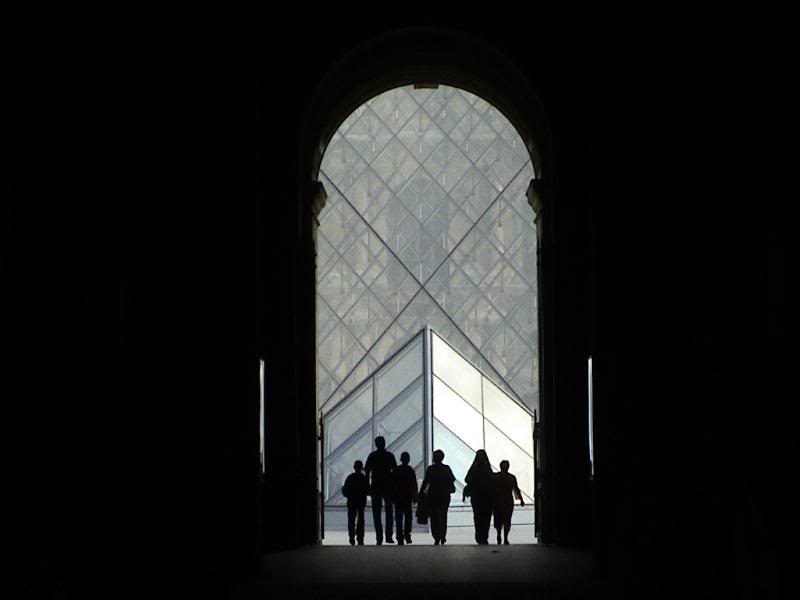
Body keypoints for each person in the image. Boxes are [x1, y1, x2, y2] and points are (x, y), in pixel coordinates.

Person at [364, 435, 397, 544]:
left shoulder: (372, 456)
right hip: (388, 486)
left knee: (376, 513)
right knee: (389, 512)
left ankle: (379, 537)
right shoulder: (389, 456)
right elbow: (395, 471)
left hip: (376, 486)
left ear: (376, 444)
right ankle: (388, 536)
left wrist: (367, 486)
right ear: (384, 444)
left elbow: (367, 472)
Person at [419, 449, 456, 545]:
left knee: (434, 516)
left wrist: (420, 494)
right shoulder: (447, 468)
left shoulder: (430, 469)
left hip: (432, 495)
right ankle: (443, 535)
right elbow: (452, 479)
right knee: (443, 516)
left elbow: (425, 482)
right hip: (444, 495)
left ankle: (436, 536)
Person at [464, 449, 494, 544]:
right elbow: (492, 481)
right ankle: (484, 536)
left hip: (476, 496)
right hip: (487, 497)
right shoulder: (487, 469)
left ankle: (479, 535)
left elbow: (467, 479)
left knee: (477, 516)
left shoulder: (474, 468)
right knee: (486, 517)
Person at [492, 459, 524, 545]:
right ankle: (505, 537)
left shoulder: (495, 477)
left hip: (497, 501)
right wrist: (521, 499)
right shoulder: (511, 477)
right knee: (507, 520)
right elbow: (516, 489)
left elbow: (491, 490)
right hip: (508, 501)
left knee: (498, 519)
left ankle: (499, 534)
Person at [392, 451, 419, 545]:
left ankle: (399, 536)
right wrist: (415, 496)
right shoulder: (410, 470)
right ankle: (407, 534)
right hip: (407, 497)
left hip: (398, 497)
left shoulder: (396, 470)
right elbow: (414, 485)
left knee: (399, 518)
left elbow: (393, 484)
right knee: (408, 517)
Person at [341, 460, 368, 545]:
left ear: (354, 467)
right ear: (361, 468)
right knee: (361, 520)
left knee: (351, 520)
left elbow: (345, 490)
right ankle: (360, 538)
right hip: (361, 502)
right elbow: (367, 490)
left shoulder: (350, 478)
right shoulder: (363, 478)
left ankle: (351, 537)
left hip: (351, 501)